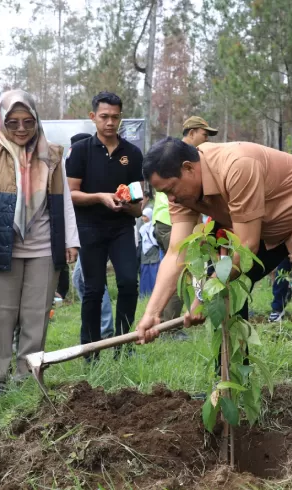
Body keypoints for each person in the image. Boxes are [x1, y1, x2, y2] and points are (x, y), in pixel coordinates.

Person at [137, 138, 292, 419]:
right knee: (225, 288)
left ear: (189, 168)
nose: (170, 199)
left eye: (170, 190)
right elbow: (175, 254)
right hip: (270, 223)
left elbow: (246, 247)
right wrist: (152, 314)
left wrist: (203, 296)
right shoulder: (181, 193)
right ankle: (230, 383)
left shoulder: (237, 165)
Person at [0, 89, 79, 398]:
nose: (21, 129)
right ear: (2, 122)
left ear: (37, 121)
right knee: (0, 315)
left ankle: (27, 375)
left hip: (44, 249)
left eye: (28, 122)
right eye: (13, 122)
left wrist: (70, 241)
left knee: (36, 315)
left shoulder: (54, 155)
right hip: (0, 248)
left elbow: (65, 202)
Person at [65, 92, 143, 360]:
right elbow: (71, 194)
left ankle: (124, 344)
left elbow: (138, 200)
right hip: (90, 228)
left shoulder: (132, 154)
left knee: (128, 283)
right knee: (94, 289)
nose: (110, 122)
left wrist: (130, 206)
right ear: (93, 117)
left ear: (121, 117)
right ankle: (91, 351)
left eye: (115, 117)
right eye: (104, 117)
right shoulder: (81, 151)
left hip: (121, 227)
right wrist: (100, 197)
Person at [153, 116, 218, 322]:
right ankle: (169, 325)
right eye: (204, 134)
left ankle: (187, 313)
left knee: (193, 267)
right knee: (179, 267)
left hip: (177, 221)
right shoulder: (174, 159)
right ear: (191, 133)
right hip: (170, 221)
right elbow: (183, 200)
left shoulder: (194, 159)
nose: (207, 140)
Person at [138, 207, 161, 296]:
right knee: (145, 273)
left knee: (154, 272)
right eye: (143, 216)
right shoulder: (143, 228)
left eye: (145, 216)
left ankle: (155, 293)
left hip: (153, 251)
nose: (143, 218)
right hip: (145, 253)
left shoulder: (153, 227)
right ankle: (145, 293)